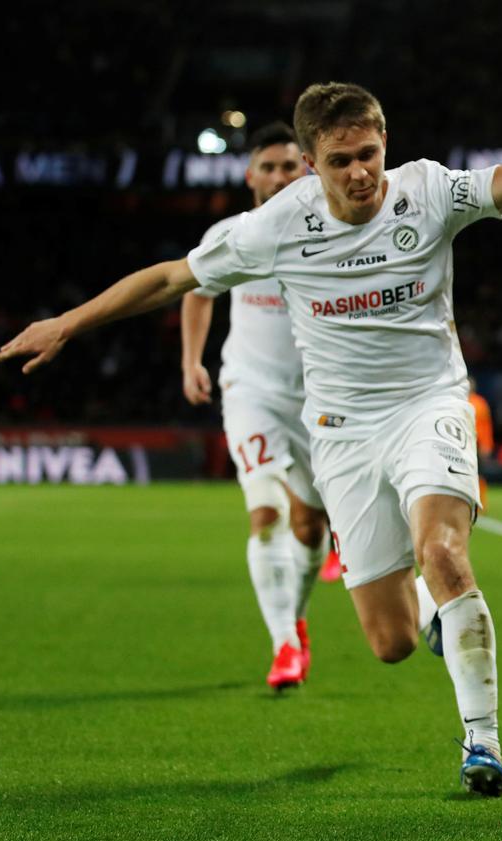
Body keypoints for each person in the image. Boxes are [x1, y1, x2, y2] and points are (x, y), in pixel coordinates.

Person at [0, 80, 502, 796]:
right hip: (340, 432)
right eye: (340, 161)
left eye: (369, 154)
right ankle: (432, 620)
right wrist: (68, 323)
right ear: (310, 161)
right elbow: (174, 278)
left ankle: (481, 741)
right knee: (390, 642)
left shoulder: (428, 192)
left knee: (443, 550)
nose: (360, 172)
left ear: (384, 143)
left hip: (429, 404)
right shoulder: (278, 224)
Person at [179, 122, 333, 690]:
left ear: (307, 170)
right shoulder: (232, 233)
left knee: (311, 528)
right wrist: (191, 360)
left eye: (287, 166)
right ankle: (284, 645)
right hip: (250, 392)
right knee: (265, 510)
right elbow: (196, 292)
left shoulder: (330, 230)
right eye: (267, 167)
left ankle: (295, 614)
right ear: (249, 176)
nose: (277, 176)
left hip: (316, 400)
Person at [467, 376, 494, 510]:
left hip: (476, 443)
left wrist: (487, 445)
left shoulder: (479, 403)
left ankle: (480, 502)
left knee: (479, 474)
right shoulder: (459, 401)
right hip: (463, 441)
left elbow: (485, 426)